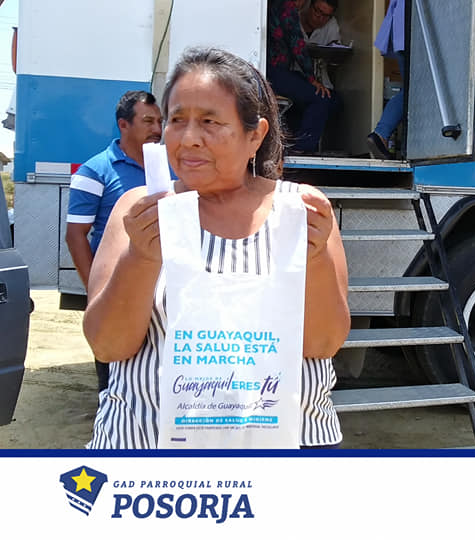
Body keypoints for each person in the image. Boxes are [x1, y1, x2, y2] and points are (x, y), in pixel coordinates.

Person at [84, 47, 350, 449]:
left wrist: (314, 259)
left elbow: (323, 344)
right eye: (177, 120)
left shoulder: (302, 212)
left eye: (210, 122)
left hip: (286, 446)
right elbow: (108, 346)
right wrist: (141, 256)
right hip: (148, 450)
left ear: (255, 135)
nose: (189, 139)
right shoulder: (137, 212)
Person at [65, 90, 162, 393]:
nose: (157, 129)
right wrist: (97, 291)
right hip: (118, 291)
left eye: (159, 121)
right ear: (123, 125)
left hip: (161, 293)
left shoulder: (168, 167)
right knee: (114, 379)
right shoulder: (95, 171)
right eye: (148, 121)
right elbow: (75, 235)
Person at [267, 0, 337, 154]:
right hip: (275, 73)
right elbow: (297, 46)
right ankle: (301, 150)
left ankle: (294, 145)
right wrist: (312, 79)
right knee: (321, 98)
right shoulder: (287, 8)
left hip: (268, 71)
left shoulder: (274, 5)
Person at [366, 0, 404, 159]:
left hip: (402, 29)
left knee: (411, 90)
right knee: (416, 92)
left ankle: (381, 134)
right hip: (415, 30)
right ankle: (381, 134)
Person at [301, 0, 341, 95]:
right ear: (310, 6)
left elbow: (335, 54)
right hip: (296, 80)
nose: (320, 18)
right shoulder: (294, 19)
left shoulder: (331, 24)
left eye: (326, 16)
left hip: (322, 84)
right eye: (318, 11)